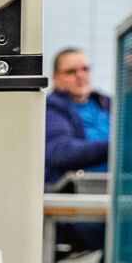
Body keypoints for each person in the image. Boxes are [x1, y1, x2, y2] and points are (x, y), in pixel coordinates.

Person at [45, 46, 113, 187]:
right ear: (56, 78)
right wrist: (118, 145)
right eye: (71, 72)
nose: (80, 76)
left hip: (118, 187)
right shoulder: (51, 107)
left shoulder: (107, 102)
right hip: (75, 192)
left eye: (85, 69)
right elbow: (61, 151)